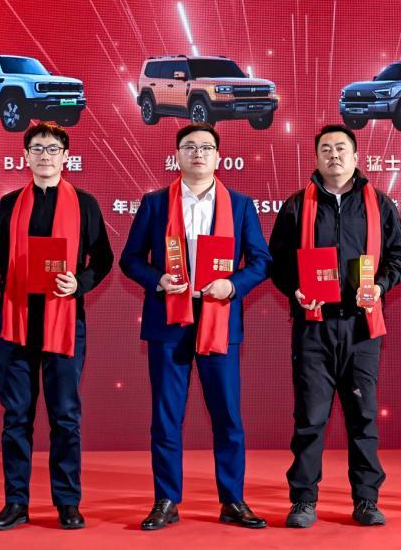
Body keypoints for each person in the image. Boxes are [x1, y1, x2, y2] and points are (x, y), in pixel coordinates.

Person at [120, 123, 272, 531]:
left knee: (227, 415)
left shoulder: (240, 205)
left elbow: (261, 261)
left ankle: (233, 500)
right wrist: (158, 279)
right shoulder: (155, 203)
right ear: (177, 156)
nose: (198, 153)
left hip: (219, 319)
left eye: (206, 147)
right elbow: (130, 259)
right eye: (189, 147)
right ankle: (166, 500)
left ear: (219, 157)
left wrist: (232, 285)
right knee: (166, 416)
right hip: (169, 320)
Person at [268, 125, 401, 528]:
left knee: (363, 417)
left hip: (361, 327)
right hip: (312, 326)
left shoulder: (379, 204)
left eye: (341, 148)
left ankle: (366, 499)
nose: (334, 155)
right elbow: (277, 260)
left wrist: (380, 286)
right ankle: (303, 500)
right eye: (326, 149)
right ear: (316, 158)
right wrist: (295, 289)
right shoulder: (297, 205)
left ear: (356, 156)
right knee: (310, 417)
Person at [0, 122, 113, 531]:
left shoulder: (86, 203)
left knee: (65, 417)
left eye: (53, 149)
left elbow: (104, 258)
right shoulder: (9, 203)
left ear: (65, 156)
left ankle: (67, 501)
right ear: (26, 156)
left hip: (65, 323)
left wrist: (80, 284)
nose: (45, 155)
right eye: (37, 148)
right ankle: (16, 502)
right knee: (16, 418)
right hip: (16, 324)